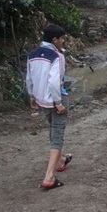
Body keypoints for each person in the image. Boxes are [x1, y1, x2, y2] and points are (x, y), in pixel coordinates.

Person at [26, 24, 73, 190]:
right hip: (54, 99)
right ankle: (49, 177)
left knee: (53, 129)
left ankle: (61, 160)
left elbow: (29, 78)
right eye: (62, 39)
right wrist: (58, 103)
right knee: (57, 135)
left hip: (41, 99)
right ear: (55, 39)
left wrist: (32, 96)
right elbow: (54, 82)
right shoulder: (57, 56)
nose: (62, 42)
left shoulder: (32, 54)